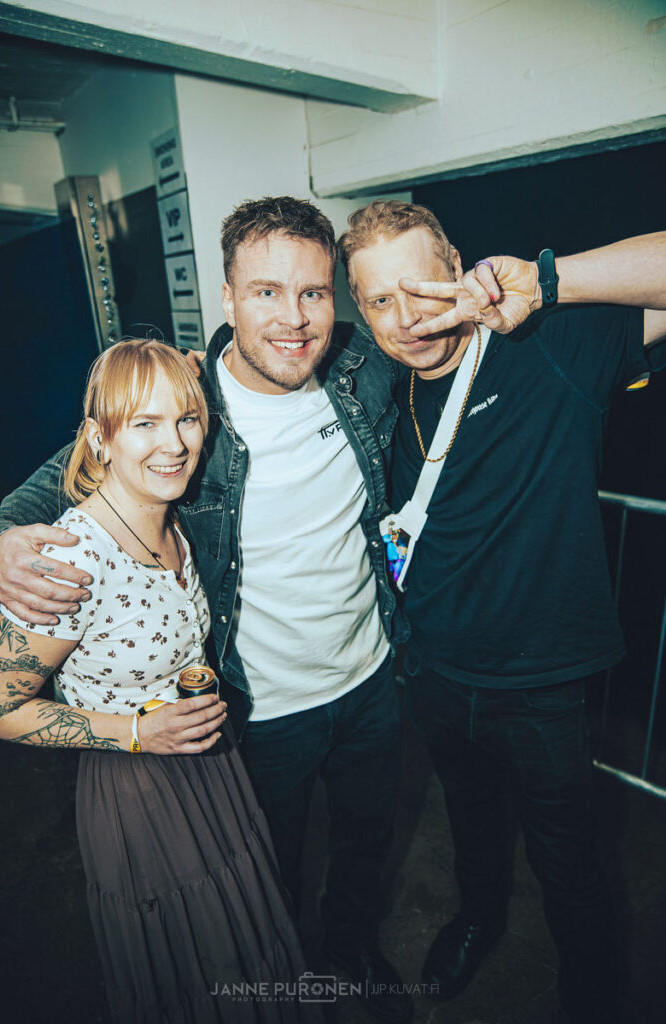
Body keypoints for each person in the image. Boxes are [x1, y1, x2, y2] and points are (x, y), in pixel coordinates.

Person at [0, 199, 411, 1023]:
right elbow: (55, 482)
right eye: (266, 292)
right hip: (258, 709)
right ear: (227, 299)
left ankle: (352, 951)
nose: (293, 318)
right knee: (262, 881)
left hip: (370, 681)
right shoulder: (186, 403)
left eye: (314, 293)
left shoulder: (363, 371)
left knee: (364, 843)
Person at [337, 200, 666, 1023]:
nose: (407, 317)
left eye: (421, 288)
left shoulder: (547, 346)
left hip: (540, 685)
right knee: (470, 822)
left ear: (458, 267)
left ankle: (590, 995)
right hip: (434, 670)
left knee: (568, 863)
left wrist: (551, 282)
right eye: (379, 300)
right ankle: (477, 920)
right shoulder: (376, 393)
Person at [0, 339, 323, 1024]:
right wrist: (136, 733)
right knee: (196, 972)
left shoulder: (172, 521)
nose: (174, 444)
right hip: (137, 795)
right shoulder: (73, 558)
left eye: (186, 419)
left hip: (209, 771)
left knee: (244, 940)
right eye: (144, 423)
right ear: (99, 439)